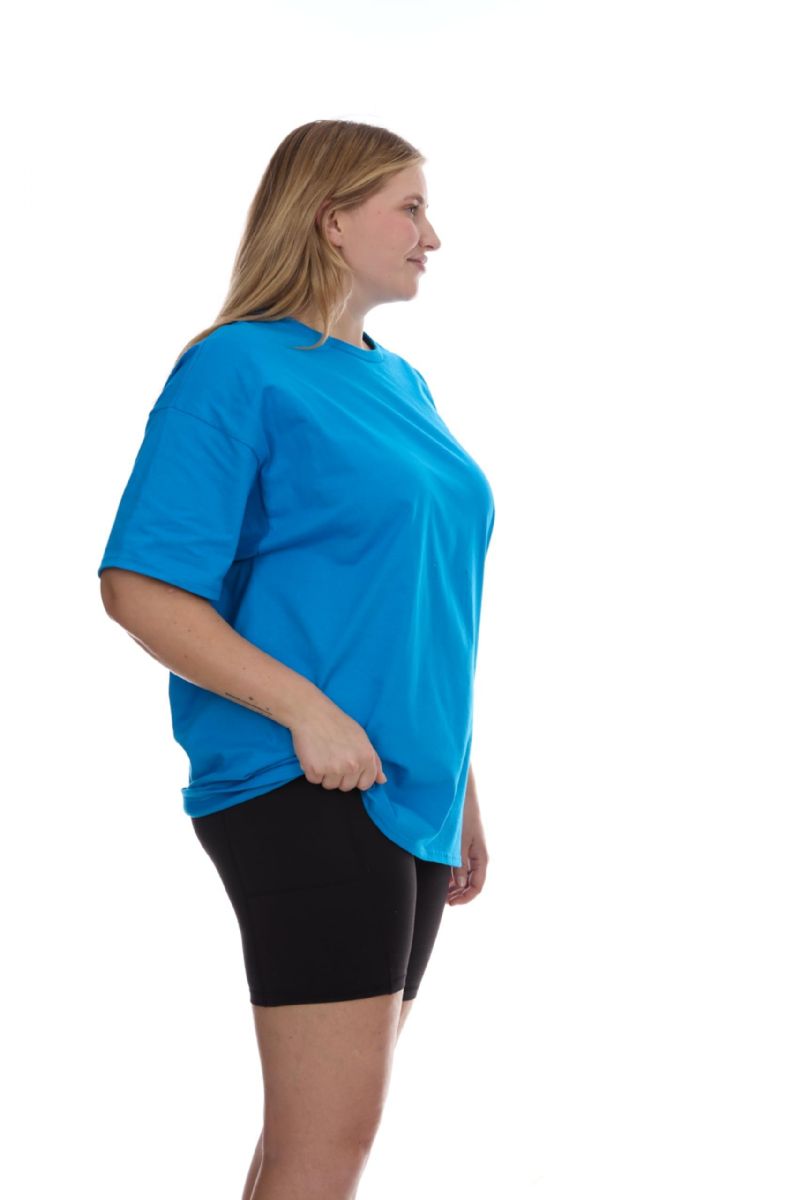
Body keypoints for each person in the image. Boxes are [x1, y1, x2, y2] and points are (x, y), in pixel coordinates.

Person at [97, 118, 495, 1200]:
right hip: (302, 783)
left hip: (405, 790)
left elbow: (411, 606)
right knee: (326, 1155)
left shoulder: (400, 384)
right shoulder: (235, 368)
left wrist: (461, 781)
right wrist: (307, 714)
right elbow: (139, 586)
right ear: (330, 221)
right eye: (409, 208)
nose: (431, 237)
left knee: (307, 1147)